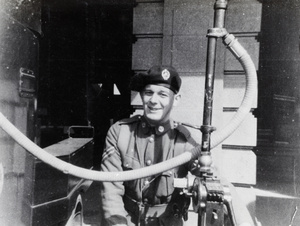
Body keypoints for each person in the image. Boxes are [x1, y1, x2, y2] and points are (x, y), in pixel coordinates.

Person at [100, 65, 254, 226]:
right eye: (148, 93)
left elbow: (215, 182)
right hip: (125, 221)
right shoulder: (120, 133)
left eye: (163, 94)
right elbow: (111, 191)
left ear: (176, 100)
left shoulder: (185, 141)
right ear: (141, 96)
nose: (154, 100)